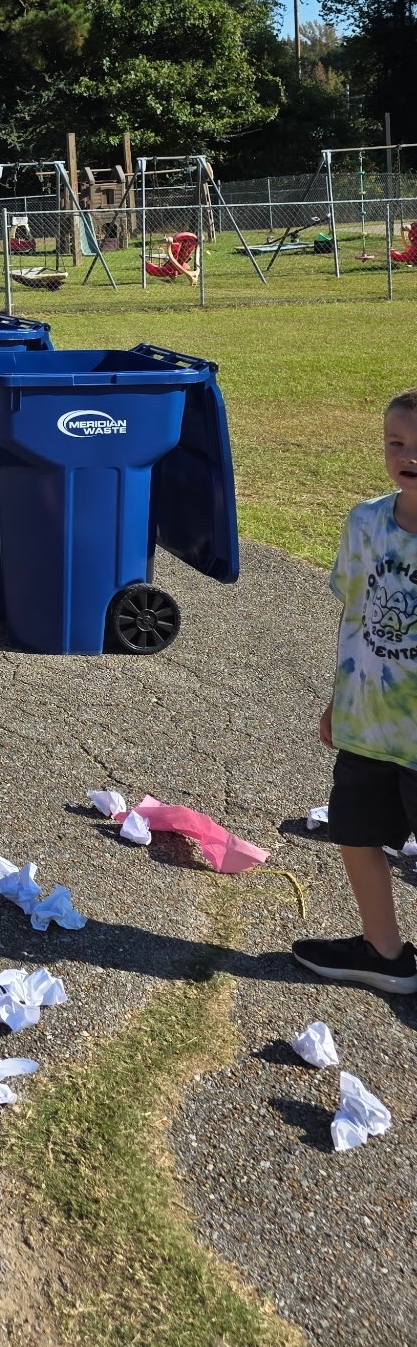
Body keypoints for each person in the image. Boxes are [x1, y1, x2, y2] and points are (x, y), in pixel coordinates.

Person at [293, 388, 417, 995]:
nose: (407, 455)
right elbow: (356, 615)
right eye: (396, 442)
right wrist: (338, 698)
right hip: (369, 721)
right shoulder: (366, 522)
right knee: (355, 830)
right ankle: (384, 952)